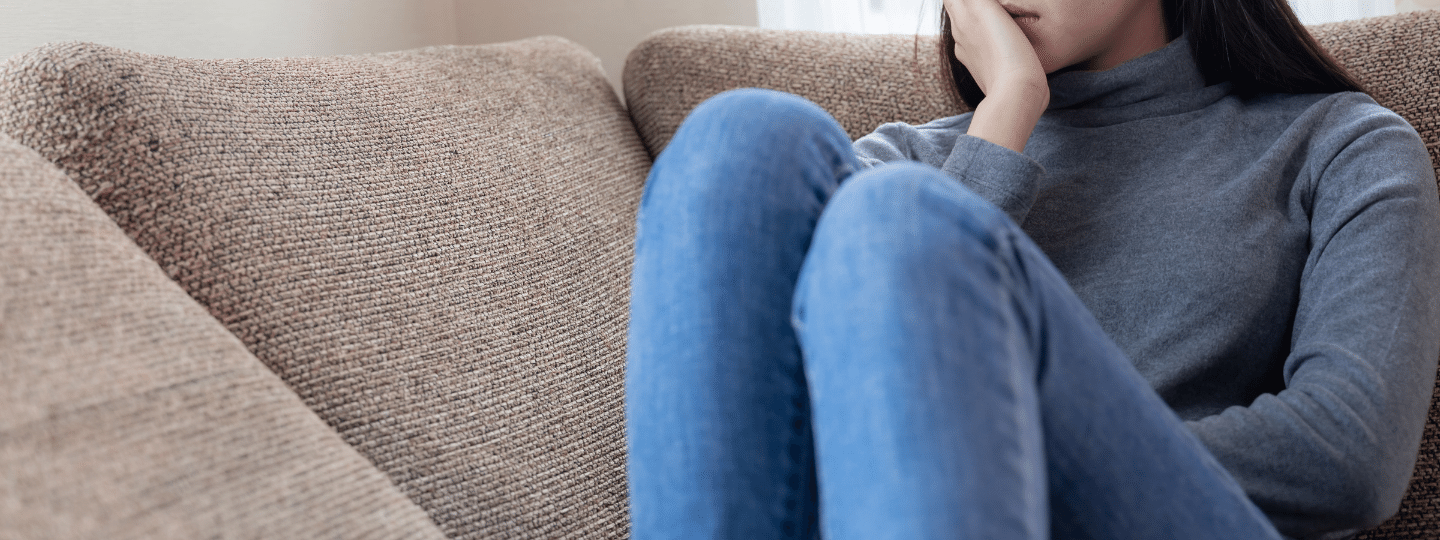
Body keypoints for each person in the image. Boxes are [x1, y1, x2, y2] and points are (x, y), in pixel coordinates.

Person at [624, 0, 1440, 537]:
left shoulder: (1341, 146)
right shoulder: (917, 160)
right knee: (739, 139)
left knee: (901, 216)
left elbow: (1348, 453)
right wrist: (1005, 116)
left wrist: (986, 435)